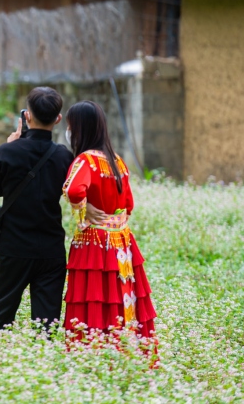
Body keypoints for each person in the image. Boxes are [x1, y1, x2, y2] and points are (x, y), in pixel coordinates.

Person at [62, 101, 157, 346]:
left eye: (71, 125)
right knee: (121, 296)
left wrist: (84, 208)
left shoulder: (85, 161)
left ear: (80, 129)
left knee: (95, 299)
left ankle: (94, 352)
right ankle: (125, 349)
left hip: (95, 243)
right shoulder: (118, 162)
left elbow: (73, 190)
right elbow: (129, 205)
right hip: (122, 243)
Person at [0, 87, 74, 332]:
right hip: (51, 249)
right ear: (57, 119)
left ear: (27, 116)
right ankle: (44, 365)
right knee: (47, 325)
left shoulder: (9, 150)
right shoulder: (64, 156)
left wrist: (9, 146)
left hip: (14, 246)